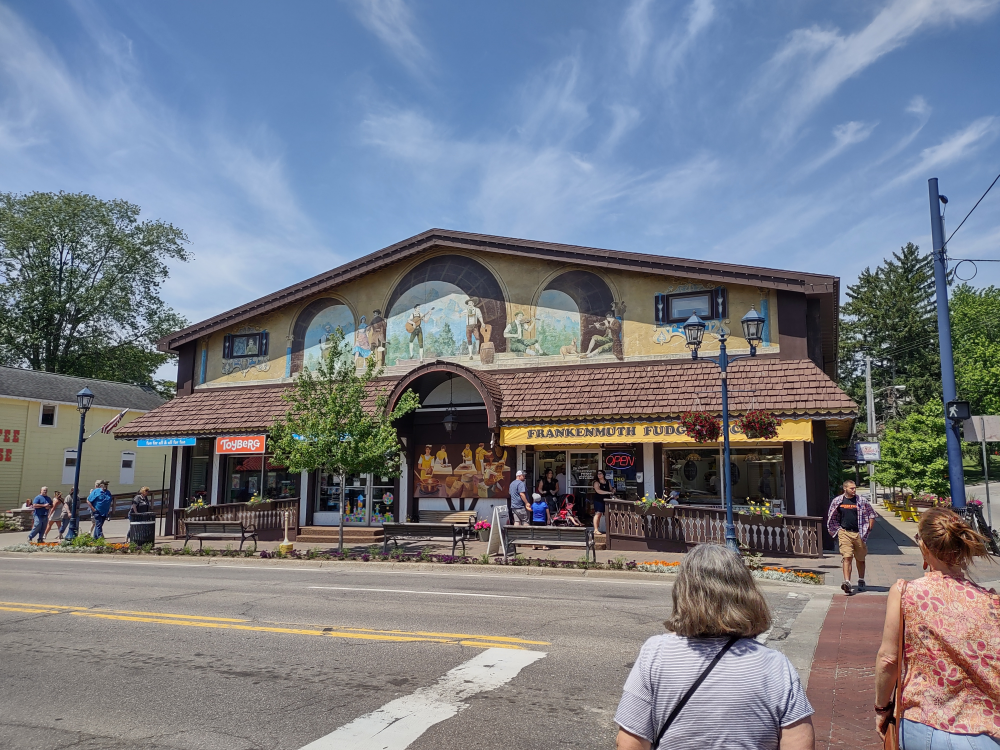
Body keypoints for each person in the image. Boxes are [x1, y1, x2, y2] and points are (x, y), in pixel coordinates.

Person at [615, 544, 816, 750]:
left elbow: (630, 743)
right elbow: (799, 743)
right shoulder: (775, 665)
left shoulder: (655, 653)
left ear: (683, 593)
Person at [874, 508, 999, 750]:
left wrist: (882, 708)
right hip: (981, 730)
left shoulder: (905, 593)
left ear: (924, 547)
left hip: (921, 723)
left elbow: (888, 659)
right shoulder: (991, 602)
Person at [827, 480, 877, 594]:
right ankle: (847, 582)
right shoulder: (837, 501)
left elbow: (872, 514)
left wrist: (869, 528)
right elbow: (831, 516)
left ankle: (861, 579)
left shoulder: (861, 500)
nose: (854, 490)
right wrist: (837, 529)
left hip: (859, 533)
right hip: (844, 532)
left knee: (860, 558)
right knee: (847, 557)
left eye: (855, 488)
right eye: (851, 488)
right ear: (845, 488)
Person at [592, 469, 613, 534]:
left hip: (607, 500)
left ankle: (609, 529)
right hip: (598, 500)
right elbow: (598, 491)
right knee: (598, 514)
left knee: (608, 514)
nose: (599, 475)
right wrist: (608, 492)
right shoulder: (596, 482)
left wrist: (613, 490)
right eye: (598, 474)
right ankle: (596, 529)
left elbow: (611, 489)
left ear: (603, 474)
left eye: (600, 473)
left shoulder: (607, 482)